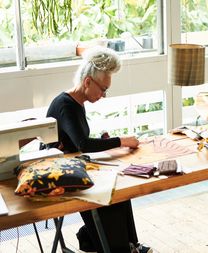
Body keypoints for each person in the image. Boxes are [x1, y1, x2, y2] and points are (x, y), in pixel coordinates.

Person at [46, 47, 151, 253]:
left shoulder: (77, 102)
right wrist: (121, 140)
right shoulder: (66, 104)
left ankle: (130, 245)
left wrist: (106, 140)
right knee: (110, 192)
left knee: (121, 188)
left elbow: (76, 143)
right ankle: (118, 248)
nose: (104, 95)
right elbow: (83, 144)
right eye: (103, 89)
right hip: (63, 175)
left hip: (75, 167)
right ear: (87, 82)